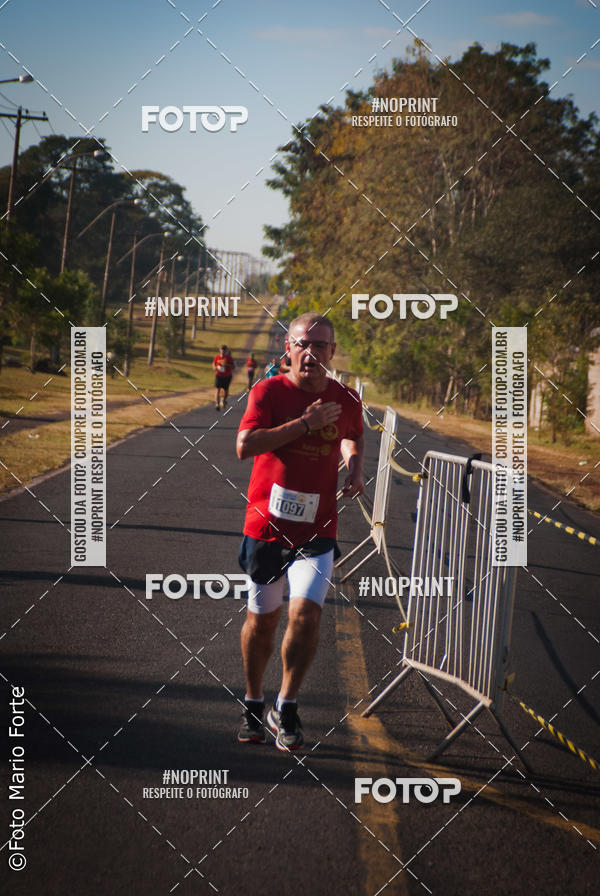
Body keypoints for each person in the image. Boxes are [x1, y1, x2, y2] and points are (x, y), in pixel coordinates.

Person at [235, 312, 364, 751]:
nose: (311, 353)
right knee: (262, 620)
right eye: (302, 344)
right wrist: (304, 425)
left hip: (318, 528)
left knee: (306, 615)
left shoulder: (346, 398)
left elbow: (352, 435)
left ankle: (286, 705)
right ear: (287, 347)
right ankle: (254, 702)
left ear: (332, 353)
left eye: (320, 346)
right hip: (266, 528)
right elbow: (244, 446)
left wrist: (355, 466)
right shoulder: (267, 392)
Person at [213, 344, 235, 410]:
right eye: (221, 350)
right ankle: (217, 404)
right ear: (220, 350)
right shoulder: (217, 357)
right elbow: (213, 364)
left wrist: (227, 365)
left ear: (226, 351)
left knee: (226, 390)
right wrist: (215, 368)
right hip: (218, 376)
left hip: (227, 376)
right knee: (217, 389)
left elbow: (233, 367)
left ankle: (223, 400)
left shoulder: (229, 358)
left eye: (224, 350)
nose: (222, 351)